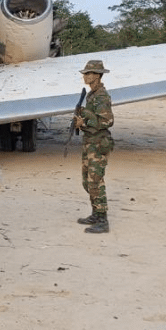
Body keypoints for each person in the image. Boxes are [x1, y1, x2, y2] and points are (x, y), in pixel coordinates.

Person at [74, 60, 114, 233]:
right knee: (87, 181)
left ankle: (103, 220)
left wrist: (86, 118)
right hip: (90, 142)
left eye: (88, 73)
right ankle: (95, 213)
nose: (85, 76)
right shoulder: (91, 95)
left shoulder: (102, 97)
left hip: (98, 143)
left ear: (97, 75)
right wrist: (81, 124)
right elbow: (91, 121)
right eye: (85, 73)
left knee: (95, 181)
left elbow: (108, 121)